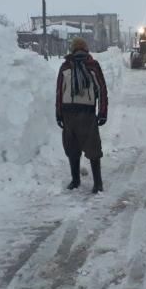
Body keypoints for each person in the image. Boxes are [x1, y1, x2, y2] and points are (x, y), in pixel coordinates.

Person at [56, 37, 108, 194]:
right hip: (72, 114)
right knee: (73, 148)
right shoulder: (66, 67)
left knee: (92, 149)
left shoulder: (92, 66)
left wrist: (102, 112)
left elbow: (59, 93)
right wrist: (59, 114)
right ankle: (78, 180)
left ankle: (95, 183)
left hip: (81, 114)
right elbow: (60, 91)